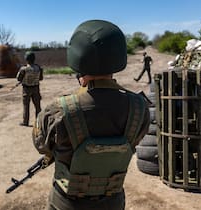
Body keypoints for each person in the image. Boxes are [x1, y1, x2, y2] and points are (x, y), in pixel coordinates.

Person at [32, 20, 150, 210]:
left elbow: (41, 146)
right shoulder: (139, 107)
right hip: (113, 201)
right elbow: (133, 143)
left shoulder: (59, 110)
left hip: (67, 203)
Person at [16, 51, 43, 126]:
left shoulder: (23, 69)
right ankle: (39, 122)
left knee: (26, 106)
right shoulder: (38, 68)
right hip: (36, 88)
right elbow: (41, 78)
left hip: (26, 89)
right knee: (38, 106)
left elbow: (18, 78)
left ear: (26, 59)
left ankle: (25, 122)